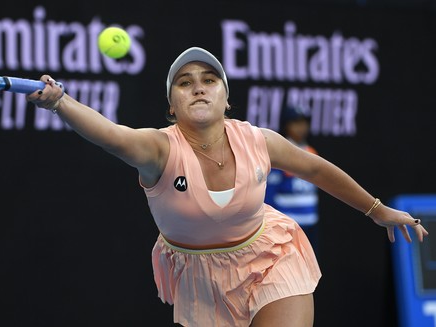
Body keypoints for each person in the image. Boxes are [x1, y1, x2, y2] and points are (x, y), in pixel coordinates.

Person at [26, 47, 428, 327]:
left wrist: (376, 209)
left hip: (271, 256)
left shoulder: (259, 140)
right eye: (184, 83)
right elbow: (110, 135)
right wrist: (62, 102)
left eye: (209, 79)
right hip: (201, 278)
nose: (198, 87)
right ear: (171, 106)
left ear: (226, 99)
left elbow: (317, 170)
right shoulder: (159, 149)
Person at [265, 105, 320, 252]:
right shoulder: (281, 152)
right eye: (295, 123)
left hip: (310, 224)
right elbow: (269, 195)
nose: (301, 127)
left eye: (304, 122)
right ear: (286, 125)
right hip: (288, 227)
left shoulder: (311, 152)